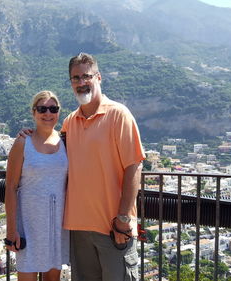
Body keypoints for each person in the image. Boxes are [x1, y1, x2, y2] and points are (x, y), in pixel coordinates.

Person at [20, 53, 145, 281]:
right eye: (75, 78)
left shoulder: (118, 115)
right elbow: (49, 147)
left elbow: (134, 166)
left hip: (113, 228)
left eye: (86, 76)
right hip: (78, 229)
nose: (81, 82)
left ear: (98, 77)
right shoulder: (69, 122)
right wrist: (29, 134)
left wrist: (124, 218)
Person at [4, 91, 69, 281]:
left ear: (58, 112)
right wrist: (11, 230)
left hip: (57, 226)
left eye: (53, 109)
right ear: (34, 112)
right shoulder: (23, 143)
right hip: (29, 225)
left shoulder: (66, 141)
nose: (47, 113)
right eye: (42, 109)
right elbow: (10, 186)